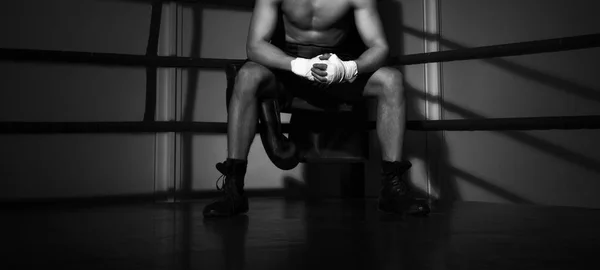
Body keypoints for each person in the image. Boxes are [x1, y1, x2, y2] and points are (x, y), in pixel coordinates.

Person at [203, 0, 429, 217]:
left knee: (392, 81)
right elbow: (255, 45)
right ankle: (234, 188)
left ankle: (391, 188)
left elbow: (379, 46)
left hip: (336, 65)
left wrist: (348, 69)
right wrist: (297, 65)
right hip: (288, 67)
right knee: (247, 76)